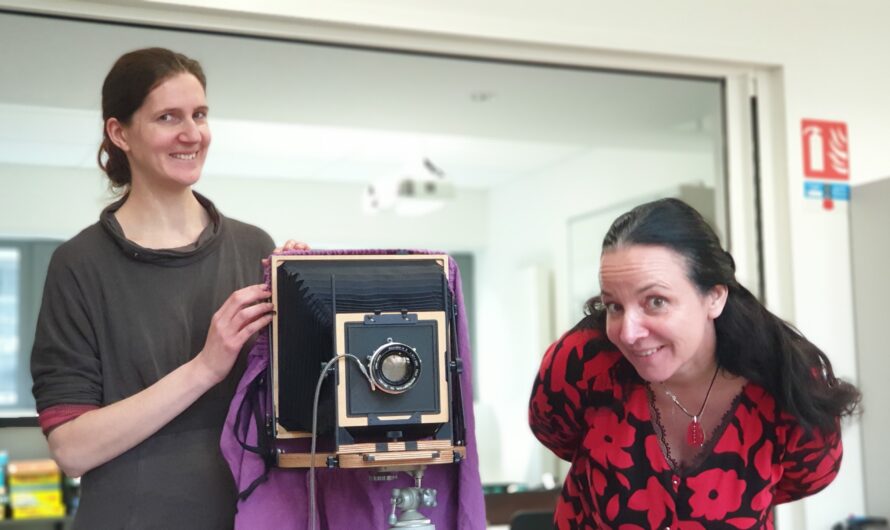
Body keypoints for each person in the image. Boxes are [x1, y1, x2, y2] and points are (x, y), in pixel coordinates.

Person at [30, 47, 303, 529]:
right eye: (167, 117)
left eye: (199, 114)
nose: (192, 134)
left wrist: (310, 300)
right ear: (120, 133)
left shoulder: (253, 247)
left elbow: (286, 408)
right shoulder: (78, 265)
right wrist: (204, 367)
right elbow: (71, 449)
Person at [529, 198, 860, 529]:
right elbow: (555, 433)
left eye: (655, 301)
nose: (628, 333)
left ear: (714, 297)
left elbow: (806, 475)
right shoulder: (583, 364)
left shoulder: (788, 383)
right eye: (614, 306)